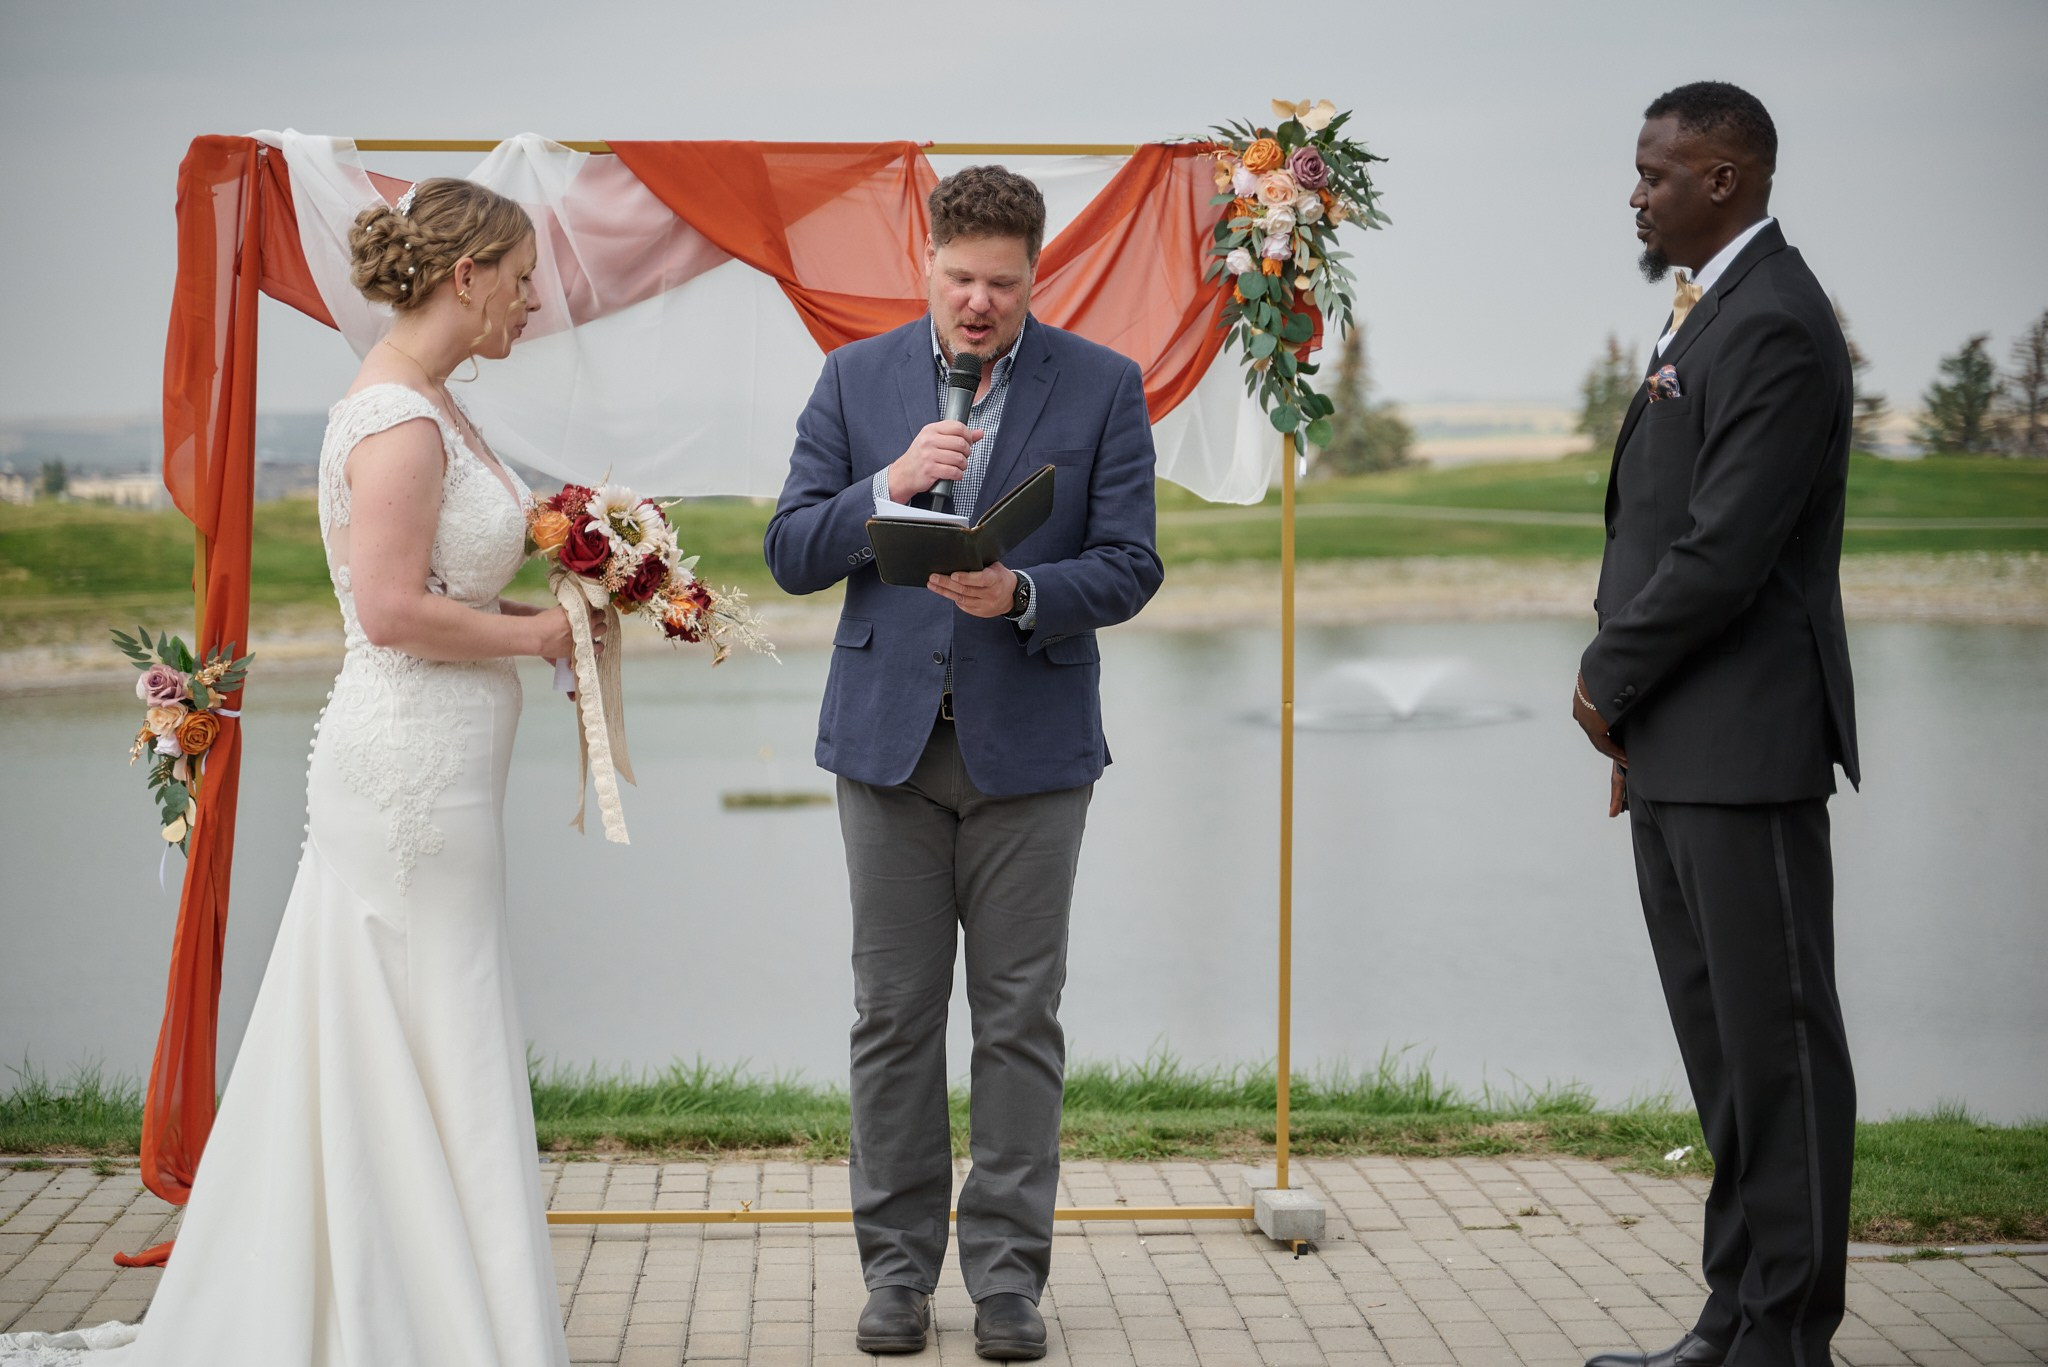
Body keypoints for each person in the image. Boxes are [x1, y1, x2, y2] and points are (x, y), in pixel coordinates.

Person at [0, 178, 577, 1367]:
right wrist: (537, 637)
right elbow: (389, 608)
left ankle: (420, 1299)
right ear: (463, 277)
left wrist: (547, 601)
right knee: (418, 1019)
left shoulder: (431, 402)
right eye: (519, 279)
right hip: (408, 770)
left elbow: (444, 587)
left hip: (439, 767)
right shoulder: (401, 419)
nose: (533, 300)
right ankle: (420, 1317)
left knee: (420, 1024)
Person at [764, 165, 1162, 1361]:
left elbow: (1130, 565)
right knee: (890, 1018)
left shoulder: (1101, 386)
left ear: (1037, 273)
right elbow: (787, 550)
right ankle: (894, 1274)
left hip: (1032, 752)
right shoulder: (854, 377)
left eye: (1002, 281)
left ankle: (1004, 1282)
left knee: (1018, 1019)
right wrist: (884, 485)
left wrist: (1024, 589)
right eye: (958, 279)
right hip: (884, 749)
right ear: (923, 265)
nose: (978, 301)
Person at [1572, 84, 1860, 1367]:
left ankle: (1785, 1337)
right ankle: (1732, 1316)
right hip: (1679, 744)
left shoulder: (1778, 325)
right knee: (1723, 1059)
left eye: (1654, 173)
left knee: (1779, 1055)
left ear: (1725, 177)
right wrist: (1633, 708)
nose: (1634, 192)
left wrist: (1603, 674)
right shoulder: (1712, 308)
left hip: (1744, 749)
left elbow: (1722, 550)